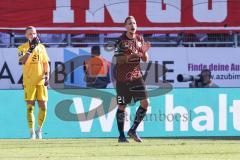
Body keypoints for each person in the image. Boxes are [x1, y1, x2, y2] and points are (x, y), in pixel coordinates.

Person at [114, 16, 151, 143]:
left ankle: (133, 130)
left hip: (137, 77)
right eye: (130, 23)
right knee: (122, 106)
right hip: (122, 79)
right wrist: (133, 55)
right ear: (125, 26)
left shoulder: (140, 39)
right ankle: (121, 136)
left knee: (145, 103)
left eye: (134, 23)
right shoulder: (120, 41)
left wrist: (144, 53)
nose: (132, 25)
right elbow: (118, 60)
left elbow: (145, 59)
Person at [18, 26, 50, 139]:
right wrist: (30, 49)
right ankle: (31, 132)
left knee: (44, 107)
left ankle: (39, 129)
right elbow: (22, 61)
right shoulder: (22, 47)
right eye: (31, 34)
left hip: (41, 80)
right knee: (30, 107)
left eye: (35, 33)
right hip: (29, 80)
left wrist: (47, 76)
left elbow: (46, 63)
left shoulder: (41, 47)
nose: (33, 35)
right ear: (26, 35)